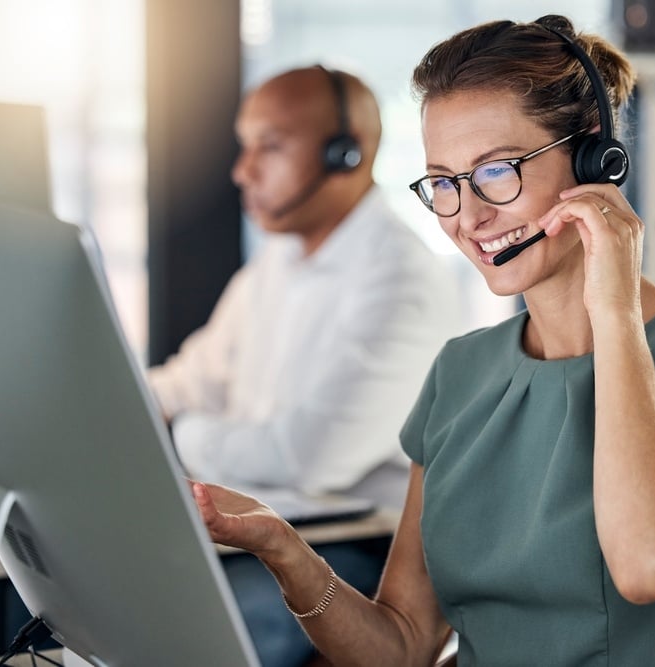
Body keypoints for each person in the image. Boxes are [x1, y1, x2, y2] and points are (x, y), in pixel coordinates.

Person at [190, 15, 655, 667]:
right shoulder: (462, 372)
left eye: (497, 171)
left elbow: (648, 565)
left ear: (594, 157)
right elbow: (401, 645)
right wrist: (281, 546)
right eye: (443, 182)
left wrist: (613, 308)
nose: (468, 216)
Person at [147, 65, 462, 666]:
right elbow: (190, 380)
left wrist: (177, 431)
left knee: (195, 633)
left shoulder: (399, 281)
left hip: (353, 552)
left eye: (270, 146)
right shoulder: (278, 262)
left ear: (347, 154)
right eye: (245, 147)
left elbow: (310, 458)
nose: (243, 171)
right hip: (253, 527)